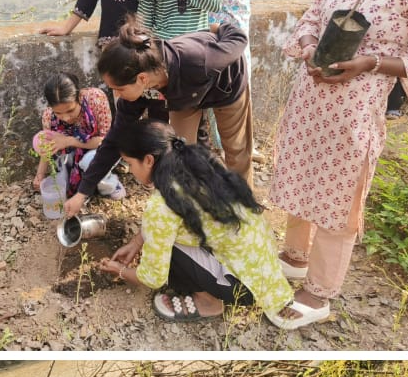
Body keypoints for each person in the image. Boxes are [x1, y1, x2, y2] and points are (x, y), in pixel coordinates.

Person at [267, 0, 408, 330]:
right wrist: (304, 44)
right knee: (302, 174)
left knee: (340, 195)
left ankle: (319, 291)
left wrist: (368, 63)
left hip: (355, 109)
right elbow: (313, 17)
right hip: (310, 99)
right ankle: (295, 257)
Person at [97, 123, 294, 323]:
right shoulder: (194, 164)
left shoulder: (161, 204)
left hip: (242, 286)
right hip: (263, 268)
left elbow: (153, 278)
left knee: (164, 242)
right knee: (160, 234)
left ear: (148, 160)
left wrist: (119, 271)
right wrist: (137, 242)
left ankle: (208, 301)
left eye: (130, 163)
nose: (130, 171)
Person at [63, 15, 253, 220]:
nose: (117, 95)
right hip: (185, 98)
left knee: (236, 150)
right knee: (180, 155)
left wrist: (220, 28)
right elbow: (114, 140)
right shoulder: (140, 86)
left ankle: (246, 213)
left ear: (142, 79)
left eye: (118, 89)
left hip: (226, 87)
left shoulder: (197, 60)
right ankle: (191, 214)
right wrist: (83, 192)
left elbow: (239, 39)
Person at [32, 73, 123, 203]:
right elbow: (48, 149)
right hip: (72, 155)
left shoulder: (95, 99)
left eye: (70, 110)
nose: (65, 118)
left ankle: (111, 186)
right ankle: (87, 186)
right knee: (63, 181)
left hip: (102, 149)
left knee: (88, 161)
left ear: (79, 97)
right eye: (58, 113)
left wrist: (69, 141)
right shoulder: (48, 116)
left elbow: (106, 141)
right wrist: (39, 175)